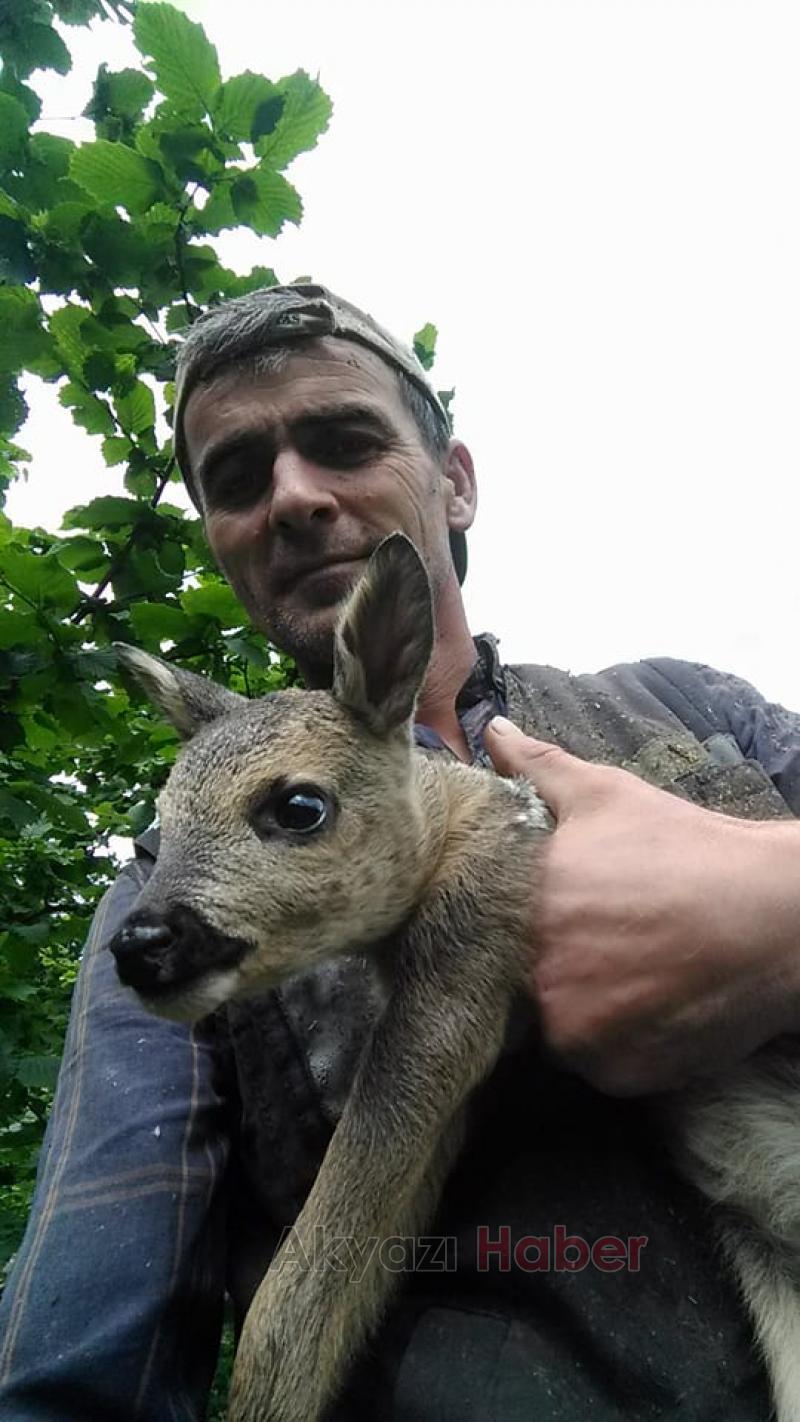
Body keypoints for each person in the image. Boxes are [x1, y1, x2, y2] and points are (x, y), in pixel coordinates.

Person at [2, 283, 799, 1420]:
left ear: (455, 482)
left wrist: (776, 901)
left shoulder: (690, 708)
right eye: (236, 479)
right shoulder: (159, 896)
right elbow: (85, 1337)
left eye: (342, 441)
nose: (290, 497)